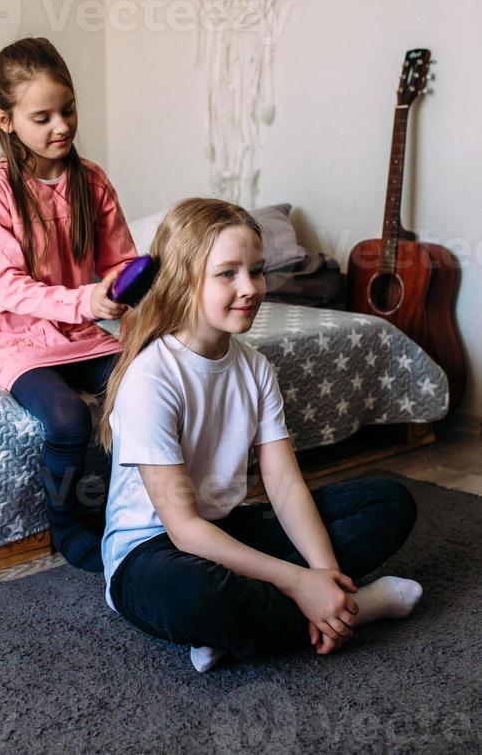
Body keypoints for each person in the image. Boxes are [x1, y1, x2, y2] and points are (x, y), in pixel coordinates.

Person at [100, 198, 423, 672]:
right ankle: (360, 607)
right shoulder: (152, 379)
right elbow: (184, 528)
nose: (250, 288)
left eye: (256, 270)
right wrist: (296, 582)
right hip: (154, 551)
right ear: (183, 280)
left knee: (389, 502)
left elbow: (286, 486)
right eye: (227, 273)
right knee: (196, 596)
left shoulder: (256, 369)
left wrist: (318, 574)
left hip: (228, 527)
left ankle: (268, 619)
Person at [0, 37, 137, 572]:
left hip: (79, 331)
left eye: (68, 110)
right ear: (6, 119)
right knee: (67, 420)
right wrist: (86, 299)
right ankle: (67, 527)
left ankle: (134, 515)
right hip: (15, 336)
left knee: (138, 396)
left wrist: (135, 324)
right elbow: (8, 285)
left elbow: (120, 264)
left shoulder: (92, 181)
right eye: (42, 117)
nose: (61, 126)